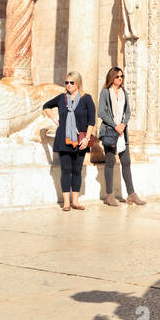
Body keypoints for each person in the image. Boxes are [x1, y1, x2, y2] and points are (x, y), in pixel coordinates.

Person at [43, 73, 95, 211]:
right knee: (66, 170)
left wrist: (87, 138)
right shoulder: (62, 98)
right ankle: (66, 203)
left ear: (78, 83)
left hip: (80, 140)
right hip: (63, 139)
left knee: (77, 170)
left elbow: (91, 121)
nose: (68, 85)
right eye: (66, 82)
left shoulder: (87, 99)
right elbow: (46, 106)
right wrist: (55, 119)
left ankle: (75, 201)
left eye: (71, 82)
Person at [98, 66, 145, 206]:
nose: (120, 79)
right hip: (110, 132)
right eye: (118, 76)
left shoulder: (124, 92)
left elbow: (128, 112)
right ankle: (109, 195)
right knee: (110, 163)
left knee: (126, 162)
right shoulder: (105, 92)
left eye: (122, 76)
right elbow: (101, 112)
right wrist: (115, 125)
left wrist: (123, 124)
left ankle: (131, 194)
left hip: (122, 133)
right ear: (112, 77)